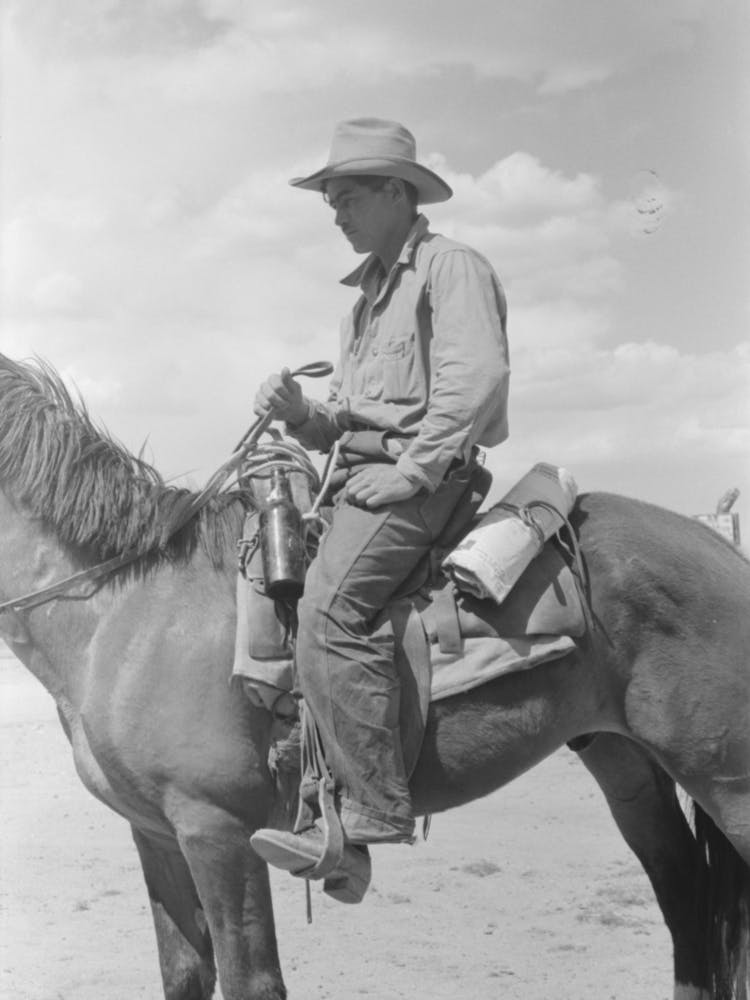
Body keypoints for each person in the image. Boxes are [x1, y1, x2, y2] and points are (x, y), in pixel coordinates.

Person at [250, 118, 509, 895]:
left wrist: (412, 474)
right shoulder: (362, 301)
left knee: (329, 611)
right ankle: (313, 796)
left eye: (348, 195)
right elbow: (348, 421)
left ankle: (369, 813)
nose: (336, 212)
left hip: (426, 481)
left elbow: (474, 381)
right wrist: (299, 414)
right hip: (361, 477)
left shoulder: (449, 268)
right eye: (330, 198)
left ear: (398, 192)